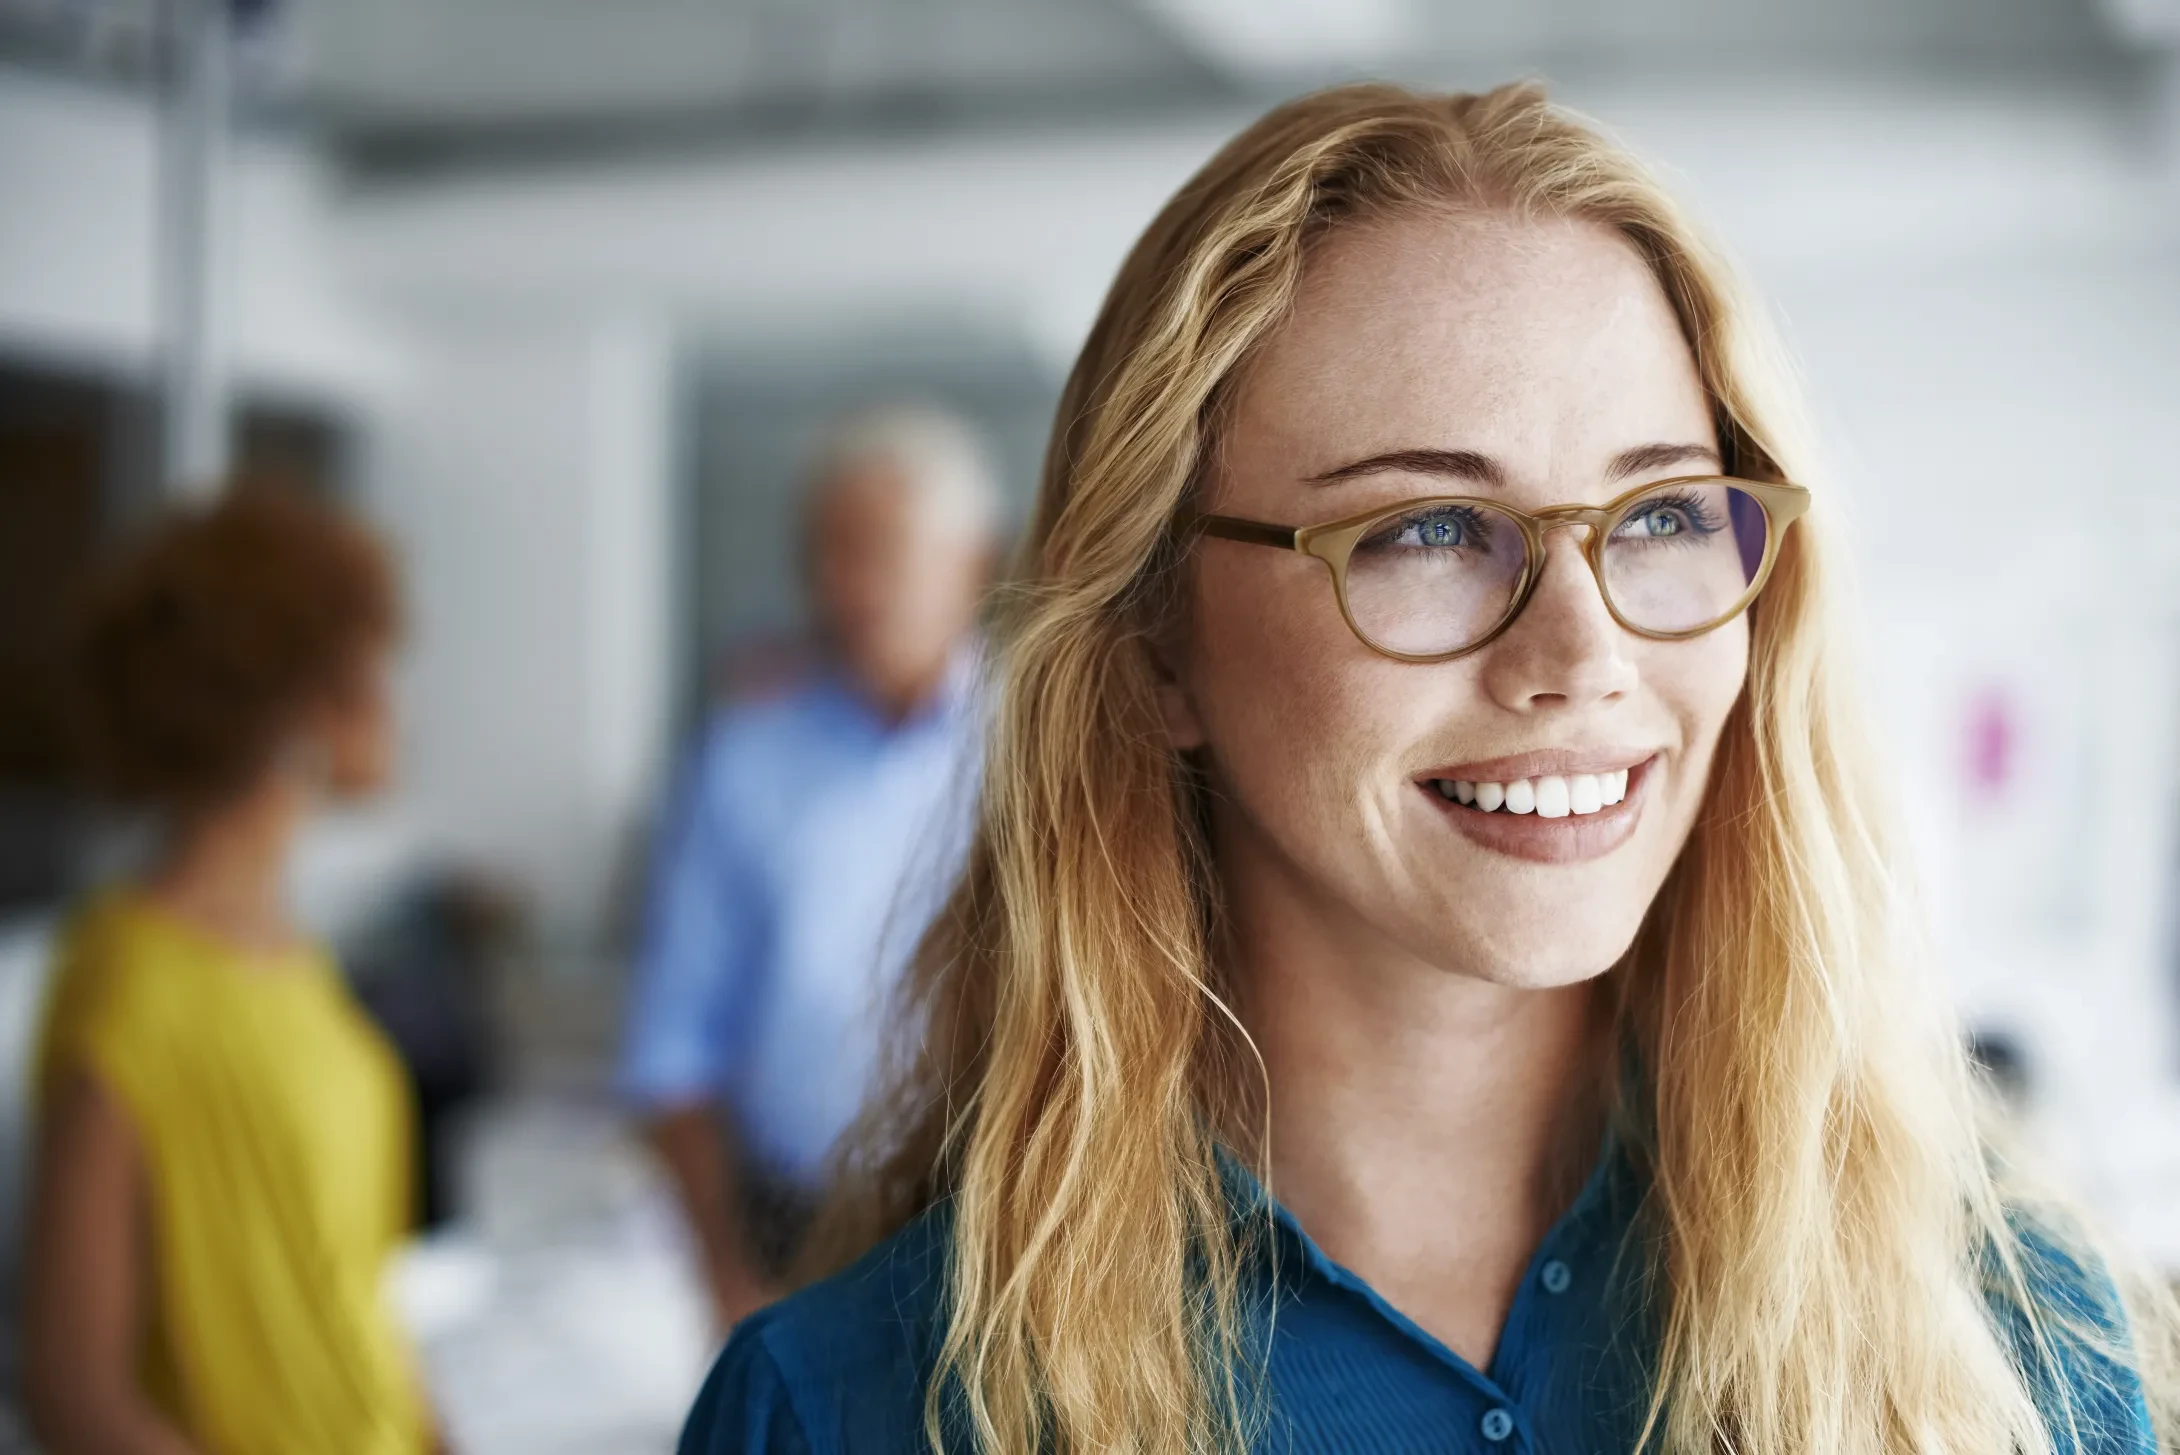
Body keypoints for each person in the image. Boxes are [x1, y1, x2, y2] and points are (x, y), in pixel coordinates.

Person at [677, 83, 2180, 1455]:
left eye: (1659, 515)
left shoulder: (2015, 1352)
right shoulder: (853, 1406)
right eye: (1426, 531)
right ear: (1153, 650)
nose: (1581, 653)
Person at [25, 484, 438, 1455]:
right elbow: (75, 1393)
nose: (395, 701)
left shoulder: (293, 957)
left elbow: (351, 1301)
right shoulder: (131, 984)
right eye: (371, 665)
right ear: (295, 705)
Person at [621, 406, 997, 1331]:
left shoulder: (1052, 747)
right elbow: (674, 1046)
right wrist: (723, 1274)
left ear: (971, 564)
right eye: (824, 557)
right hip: (792, 1230)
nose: (845, 587)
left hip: (1005, 1223)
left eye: (877, 552)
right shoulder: (741, 760)